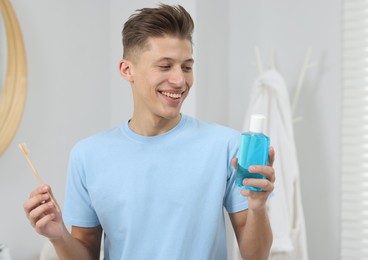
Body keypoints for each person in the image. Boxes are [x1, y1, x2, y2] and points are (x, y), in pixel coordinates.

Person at [23, 4, 275, 260]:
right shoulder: (87, 156)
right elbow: (85, 251)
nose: (179, 80)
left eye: (186, 67)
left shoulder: (226, 146)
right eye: (165, 66)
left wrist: (258, 208)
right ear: (126, 70)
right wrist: (58, 237)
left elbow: (256, 256)